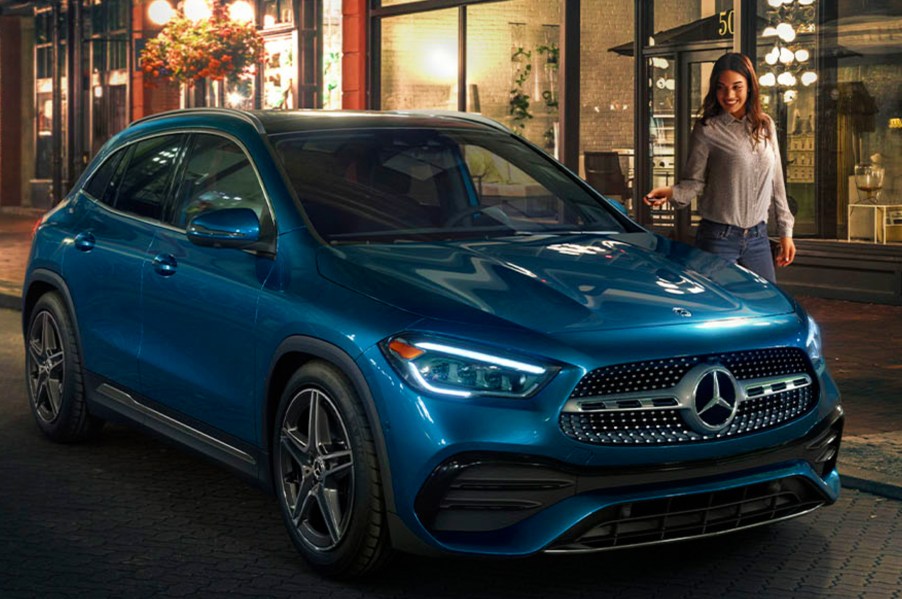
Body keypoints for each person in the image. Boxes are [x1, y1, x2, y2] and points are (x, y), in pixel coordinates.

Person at [644, 52, 795, 282]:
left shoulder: (765, 125)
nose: (729, 95)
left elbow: (776, 181)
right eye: (721, 87)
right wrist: (671, 193)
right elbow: (694, 181)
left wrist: (786, 232)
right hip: (718, 238)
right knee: (718, 311)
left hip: (758, 238)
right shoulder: (708, 129)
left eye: (737, 87)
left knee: (767, 306)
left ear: (750, 87)